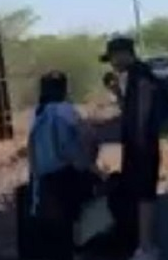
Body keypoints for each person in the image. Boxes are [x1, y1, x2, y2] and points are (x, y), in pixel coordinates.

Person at [27, 71, 102, 260]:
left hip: (45, 179)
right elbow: (82, 139)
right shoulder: (65, 110)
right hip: (66, 174)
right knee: (79, 217)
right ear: (64, 88)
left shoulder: (38, 114)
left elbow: (31, 150)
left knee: (56, 231)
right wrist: (89, 165)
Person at [101, 35, 162, 260]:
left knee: (144, 194)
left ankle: (146, 247)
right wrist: (117, 93)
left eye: (113, 58)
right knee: (139, 192)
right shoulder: (134, 75)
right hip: (138, 142)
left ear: (123, 53)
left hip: (142, 143)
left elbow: (142, 112)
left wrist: (139, 140)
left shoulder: (140, 75)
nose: (112, 64)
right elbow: (130, 110)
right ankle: (144, 244)